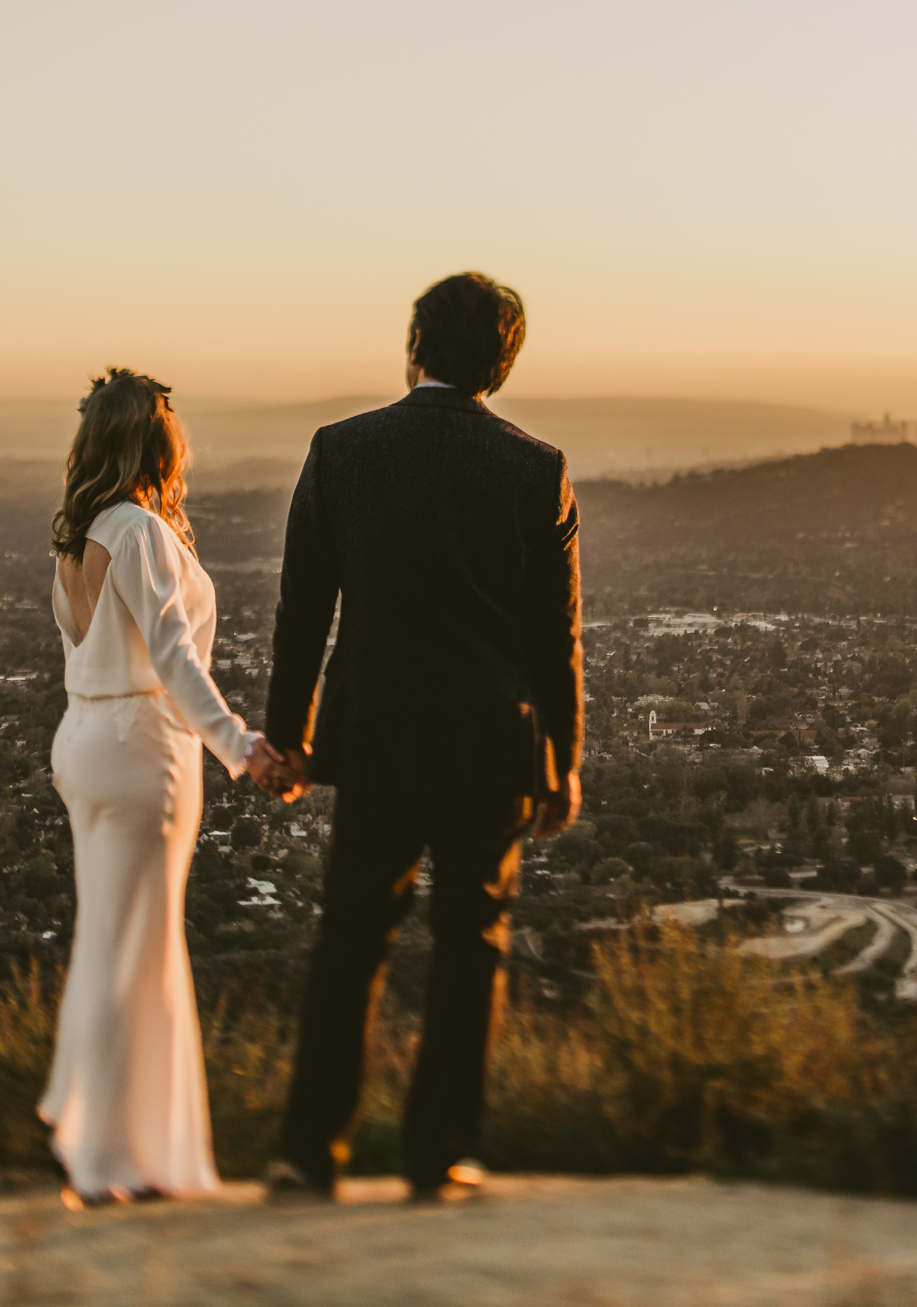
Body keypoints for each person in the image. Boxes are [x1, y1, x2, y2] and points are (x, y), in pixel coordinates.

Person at [257, 272, 584, 1203]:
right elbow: (553, 637)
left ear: (415, 347)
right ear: (502, 362)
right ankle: (440, 1154)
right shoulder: (535, 467)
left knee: (352, 938)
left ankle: (309, 1152)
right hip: (491, 740)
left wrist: (289, 739)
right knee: (471, 940)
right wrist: (562, 759)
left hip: (375, 738)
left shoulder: (342, 450)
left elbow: (301, 612)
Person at [39, 368, 273, 1208]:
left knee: (108, 942)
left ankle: (87, 1130)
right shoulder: (138, 530)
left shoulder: (76, 537)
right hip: (141, 748)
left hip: (82, 740)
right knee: (139, 951)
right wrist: (241, 747)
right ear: (156, 438)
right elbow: (175, 659)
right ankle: (114, 1156)